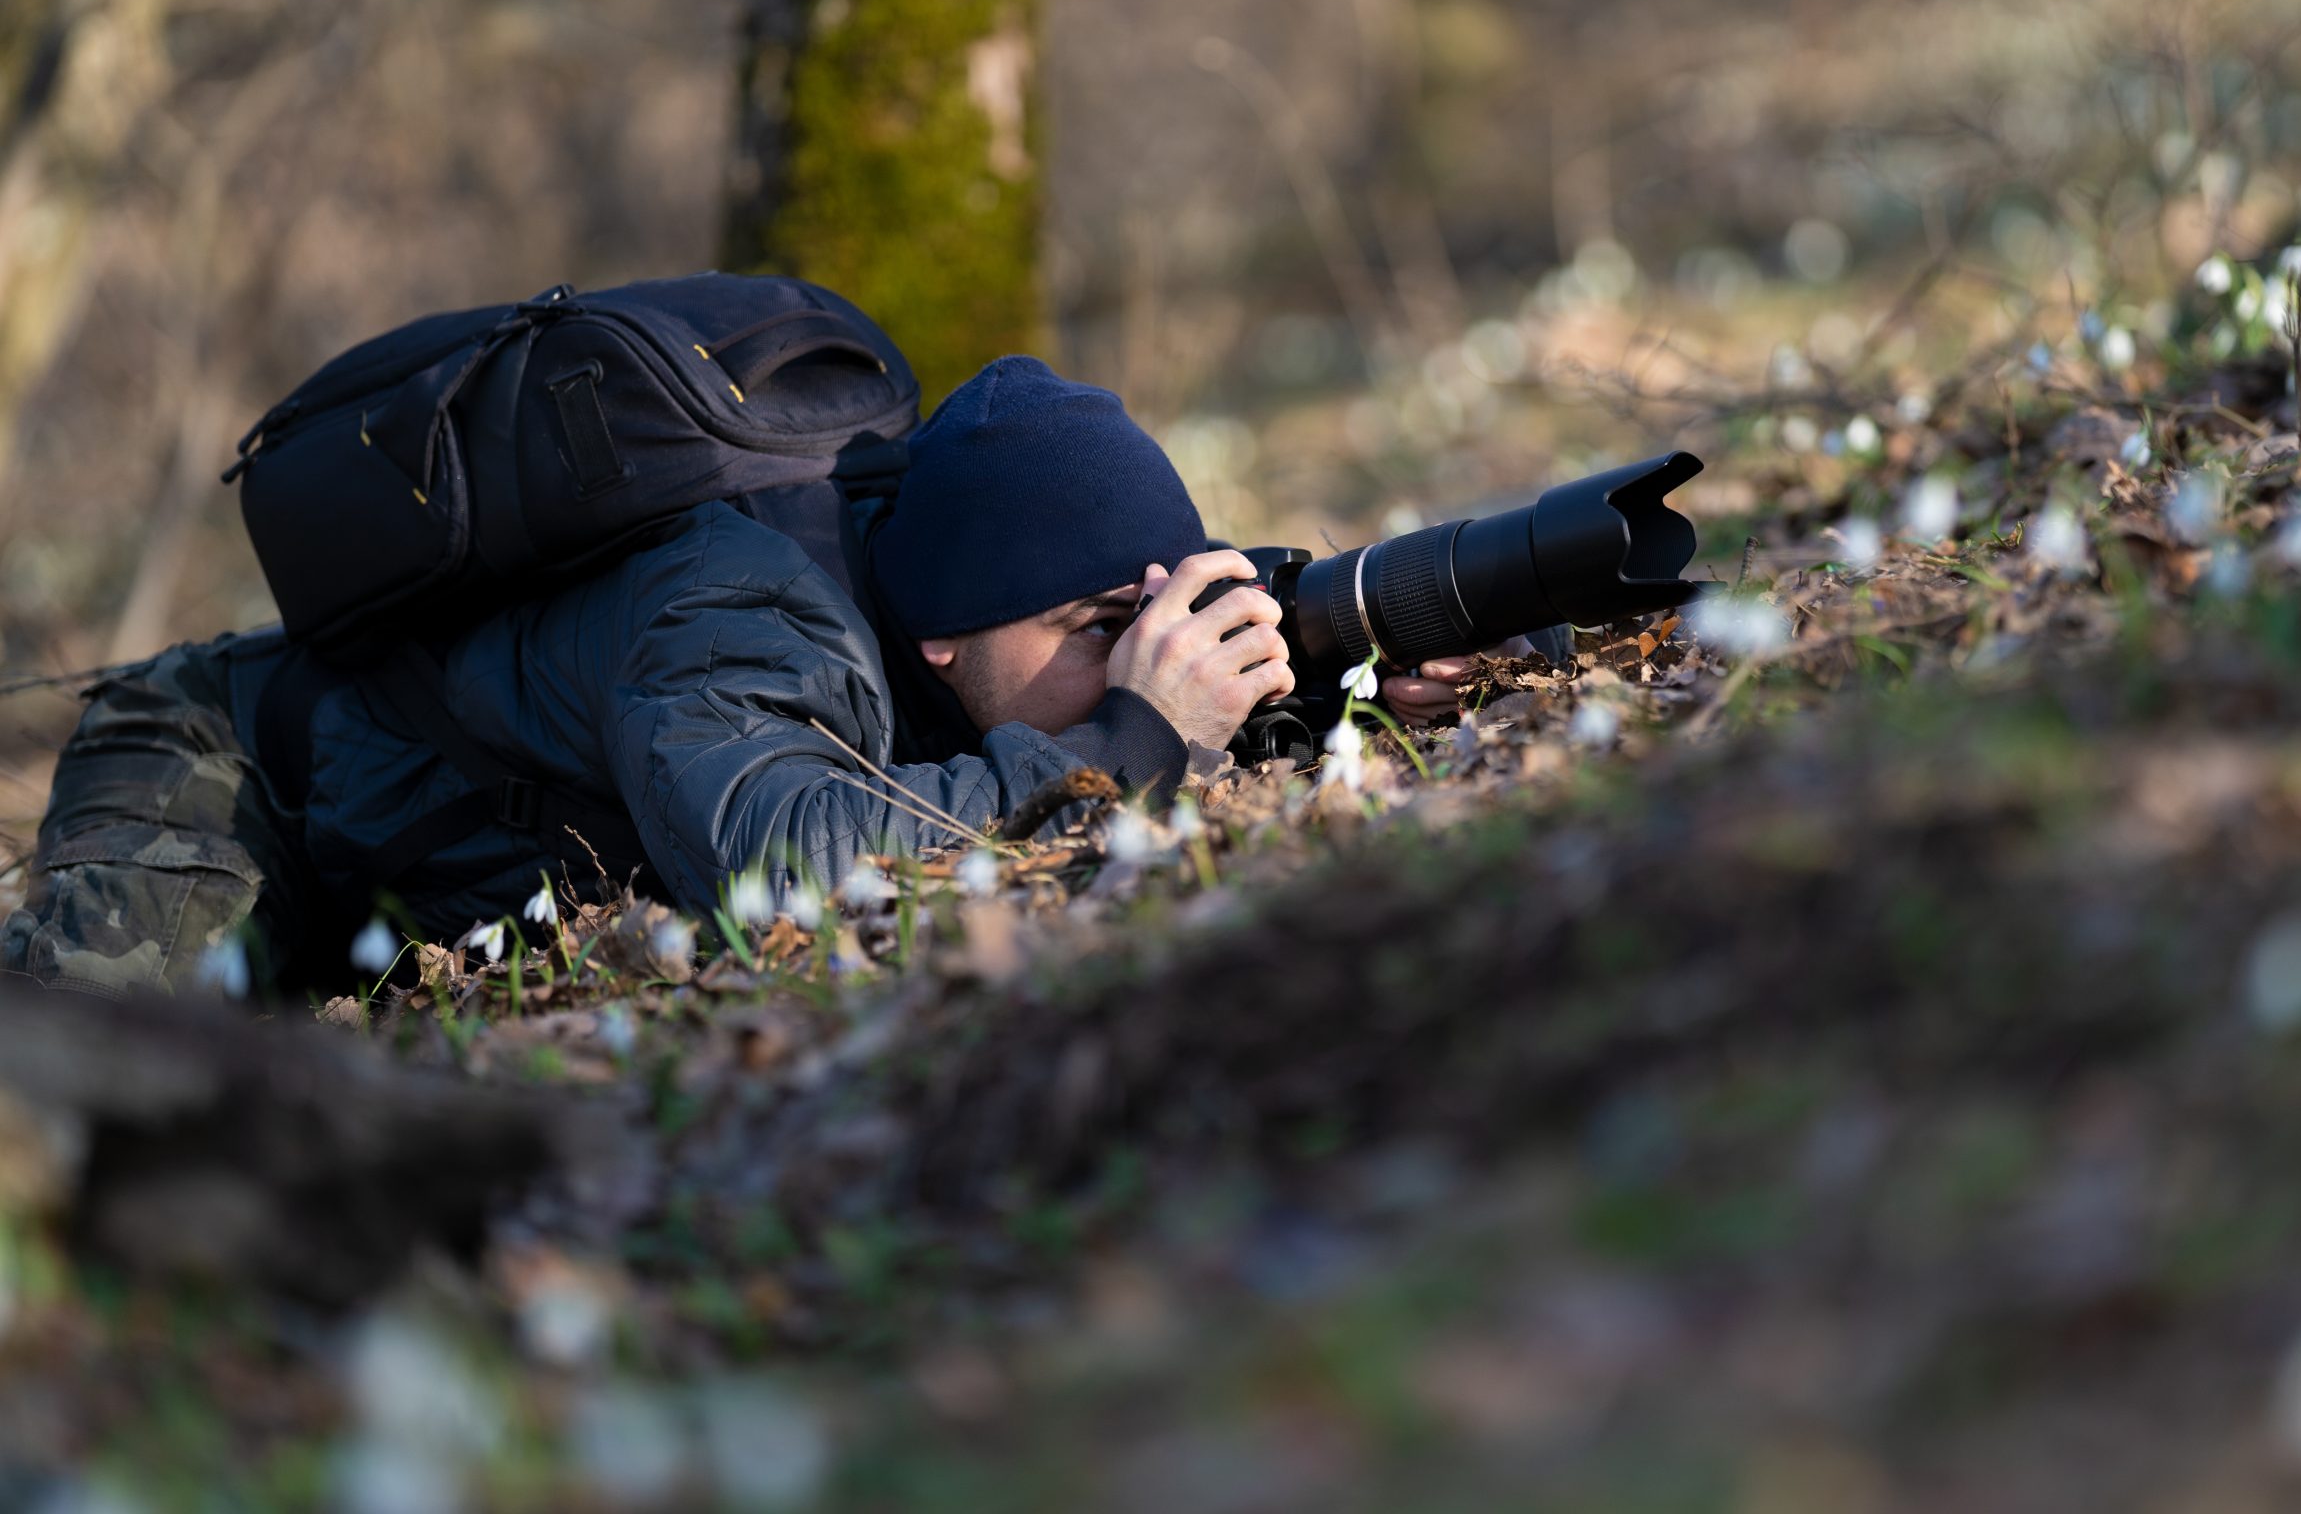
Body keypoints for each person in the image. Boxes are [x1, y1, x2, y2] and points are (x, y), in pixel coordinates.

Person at [1, 357, 1491, 998]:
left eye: (1154, 618)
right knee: (80, 1085)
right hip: (238, 771)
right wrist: (1137, 741)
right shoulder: (738, 617)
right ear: (939, 638)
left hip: (433, 877)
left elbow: (1169, 661)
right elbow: (787, 861)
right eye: (1101, 629)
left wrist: (1356, 670)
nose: (1137, 656)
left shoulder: (975, 606)